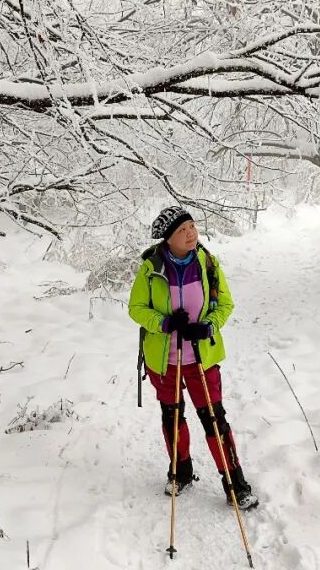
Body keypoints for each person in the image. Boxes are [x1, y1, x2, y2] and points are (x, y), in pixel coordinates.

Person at [127, 205, 258, 510]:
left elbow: (225, 303)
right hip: (164, 359)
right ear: (168, 238)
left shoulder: (208, 263)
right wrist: (164, 323)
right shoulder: (151, 268)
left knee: (214, 418)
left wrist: (208, 326)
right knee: (172, 417)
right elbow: (136, 308)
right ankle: (181, 471)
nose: (190, 234)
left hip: (202, 356)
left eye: (192, 227)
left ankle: (234, 482)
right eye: (182, 230)